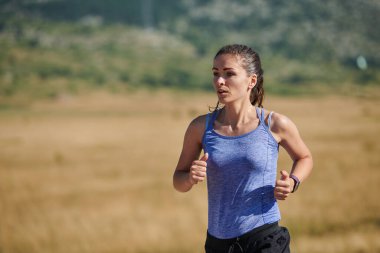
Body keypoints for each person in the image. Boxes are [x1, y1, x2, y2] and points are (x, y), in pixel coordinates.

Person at [172, 44, 313, 253]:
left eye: (229, 74)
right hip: (218, 244)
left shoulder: (275, 124)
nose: (219, 81)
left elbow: (304, 157)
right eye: (215, 74)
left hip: (264, 239)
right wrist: (190, 177)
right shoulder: (200, 127)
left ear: (251, 80)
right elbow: (178, 181)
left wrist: (292, 182)